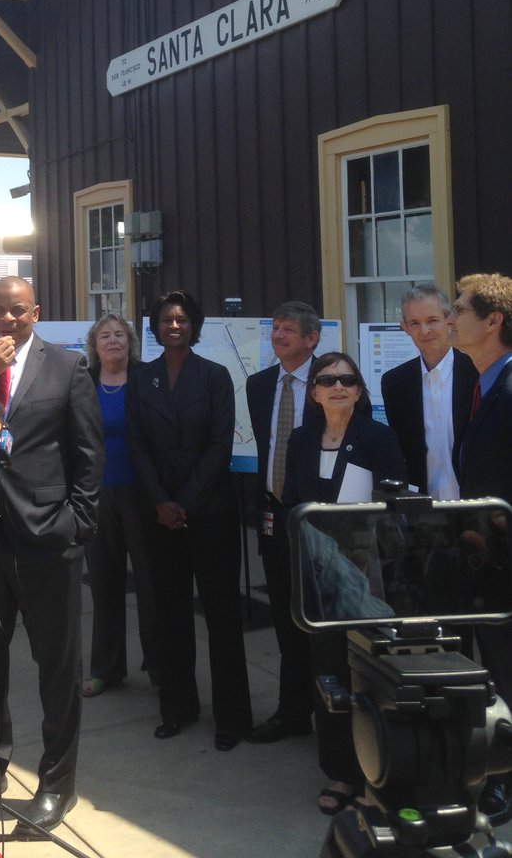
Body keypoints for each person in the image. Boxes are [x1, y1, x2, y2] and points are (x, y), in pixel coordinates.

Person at [0, 277, 103, 837]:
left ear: (35, 312)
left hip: (47, 539)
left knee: (58, 670)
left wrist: (78, 522)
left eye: (18, 311)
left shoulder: (67, 366)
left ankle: (57, 783)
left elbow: (87, 452)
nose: (9, 321)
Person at [127, 290, 253, 750]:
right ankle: (177, 708)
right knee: (170, 614)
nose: (173, 326)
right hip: (159, 515)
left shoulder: (216, 376)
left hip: (211, 511)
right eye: (165, 319)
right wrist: (162, 502)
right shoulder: (143, 379)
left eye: (181, 319)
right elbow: (137, 444)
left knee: (221, 616)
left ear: (194, 326)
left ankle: (232, 718)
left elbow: (221, 444)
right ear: (155, 327)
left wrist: (188, 502)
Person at [282, 352, 405, 815]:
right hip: (317, 572)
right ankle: (341, 771)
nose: (338, 387)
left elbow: (395, 498)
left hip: (365, 575)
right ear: (313, 392)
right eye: (327, 380)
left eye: (347, 380)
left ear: (358, 390)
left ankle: (379, 770)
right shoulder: (300, 439)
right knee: (329, 671)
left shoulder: (378, 437)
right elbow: (293, 500)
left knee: (370, 673)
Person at [447, 273, 512, 826]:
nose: (451, 317)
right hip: (486, 557)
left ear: (493, 321)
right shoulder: (482, 380)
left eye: (460, 309)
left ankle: (507, 783)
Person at [246, 301, 320, 743]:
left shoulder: (332, 380)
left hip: (316, 522)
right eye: (275, 328)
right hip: (274, 517)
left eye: (289, 329)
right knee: (284, 619)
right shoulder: (258, 386)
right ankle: (292, 712)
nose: (279, 336)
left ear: (312, 339)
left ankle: (331, 715)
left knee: (319, 622)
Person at [81, 313, 157, 697]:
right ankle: (106, 669)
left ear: (130, 343)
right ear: (94, 346)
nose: (113, 341)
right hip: (97, 496)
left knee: (150, 584)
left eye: (120, 335)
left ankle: (160, 666)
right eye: (105, 336)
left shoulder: (146, 380)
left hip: (141, 496)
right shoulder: (84, 383)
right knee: (104, 587)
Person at [381, 283, 477, 497]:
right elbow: (404, 451)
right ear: (404, 327)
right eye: (415, 323)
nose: (425, 331)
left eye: (432, 320)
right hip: (423, 510)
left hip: (477, 506)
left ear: (449, 321)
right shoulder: (395, 383)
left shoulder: (477, 373)